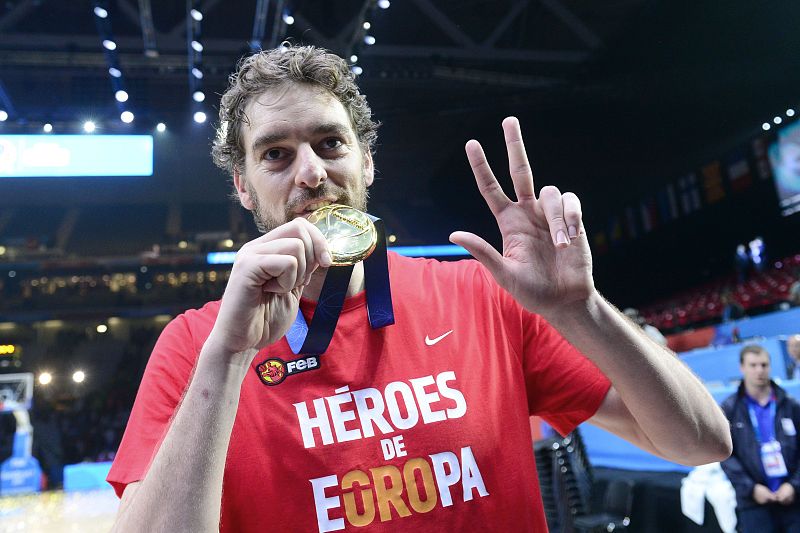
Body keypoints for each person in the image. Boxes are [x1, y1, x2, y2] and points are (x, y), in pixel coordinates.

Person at [107, 45, 731, 532]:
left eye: (330, 144)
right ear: (243, 187)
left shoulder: (485, 299)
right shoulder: (196, 345)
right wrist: (230, 355)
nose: (312, 173)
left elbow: (700, 442)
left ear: (367, 163)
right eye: (276, 154)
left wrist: (581, 308)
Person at [721, 345, 800, 532]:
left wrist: (794, 485)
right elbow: (725, 455)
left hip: (792, 498)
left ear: (770, 367)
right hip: (753, 502)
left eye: (764, 365)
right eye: (753, 365)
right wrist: (751, 489)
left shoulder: (790, 405)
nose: (759, 370)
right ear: (742, 368)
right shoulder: (730, 409)